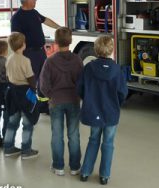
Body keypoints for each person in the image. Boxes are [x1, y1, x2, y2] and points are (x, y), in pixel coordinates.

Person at [77, 35, 128, 185]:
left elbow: (80, 88)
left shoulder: (89, 68)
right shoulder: (117, 70)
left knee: (93, 139)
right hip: (111, 112)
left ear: (96, 49)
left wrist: (87, 100)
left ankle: (85, 172)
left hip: (93, 110)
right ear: (111, 50)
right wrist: (116, 104)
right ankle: (104, 175)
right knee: (108, 142)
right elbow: (122, 92)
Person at [40, 27, 84, 176]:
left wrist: (51, 96)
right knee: (74, 134)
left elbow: (43, 85)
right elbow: (82, 82)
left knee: (57, 135)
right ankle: (75, 167)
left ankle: (58, 166)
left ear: (56, 42)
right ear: (71, 41)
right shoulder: (78, 60)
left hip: (56, 102)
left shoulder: (50, 61)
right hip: (73, 100)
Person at [10, 0, 60, 112]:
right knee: (31, 81)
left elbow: (46, 20)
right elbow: (15, 38)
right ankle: (29, 106)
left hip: (40, 52)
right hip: (28, 54)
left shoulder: (34, 13)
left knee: (44, 79)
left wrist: (59, 28)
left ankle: (43, 106)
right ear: (26, 0)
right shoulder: (17, 18)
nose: (35, 0)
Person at [3, 32, 40, 159]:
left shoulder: (8, 58)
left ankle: (8, 148)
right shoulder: (25, 60)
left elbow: (7, 76)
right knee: (27, 123)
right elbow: (31, 78)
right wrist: (35, 88)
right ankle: (26, 150)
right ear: (23, 45)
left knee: (12, 122)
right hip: (24, 93)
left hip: (12, 92)